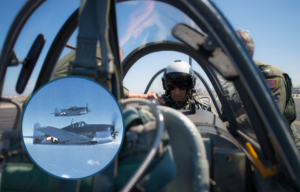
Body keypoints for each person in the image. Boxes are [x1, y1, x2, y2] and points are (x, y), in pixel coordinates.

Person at [236, 29, 300, 150]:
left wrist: (227, 125)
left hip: (284, 151)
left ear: (247, 52)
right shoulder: (234, 78)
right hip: (251, 144)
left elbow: (269, 117)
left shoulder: (270, 75)